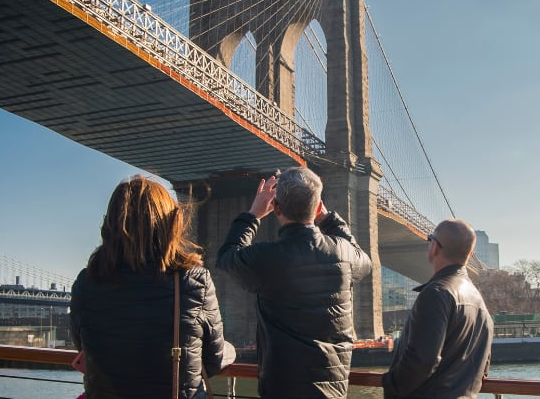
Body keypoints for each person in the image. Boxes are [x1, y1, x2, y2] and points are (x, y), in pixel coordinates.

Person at [70, 175, 235, 399]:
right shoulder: (194, 282)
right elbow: (213, 360)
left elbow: (84, 347)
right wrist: (231, 351)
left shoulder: (86, 283)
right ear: (169, 224)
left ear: (110, 225)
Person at [216, 167, 372, 398]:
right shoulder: (344, 253)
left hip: (281, 388)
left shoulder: (266, 258)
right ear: (319, 207)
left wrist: (252, 215)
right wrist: (329, 220)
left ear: (276, 207)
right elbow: (366, 263)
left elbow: (227, 258)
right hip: (333, 391)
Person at [382, 219, 493, 399]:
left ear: (434, 247)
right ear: (470, 253)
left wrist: (390, 385)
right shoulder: (480, 303)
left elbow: (422, 361)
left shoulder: (435, 294)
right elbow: (483, 368)